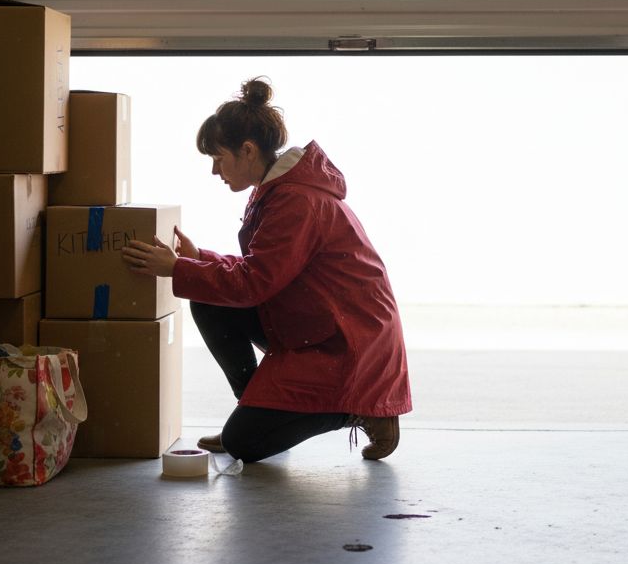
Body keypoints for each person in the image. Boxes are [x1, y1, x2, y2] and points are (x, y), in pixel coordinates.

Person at [121, 77, 411, 463]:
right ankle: (258, 408)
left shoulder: (297, 200)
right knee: (209, 303)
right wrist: (199, 260)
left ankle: (359, 408)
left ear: (247, 150)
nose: (214, 171)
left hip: (346, 342)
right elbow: (265, 268)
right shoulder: (279, 190)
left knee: (244, 444)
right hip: (318, 325)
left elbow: (253, 283)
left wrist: (177, 268)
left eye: (218, 158)